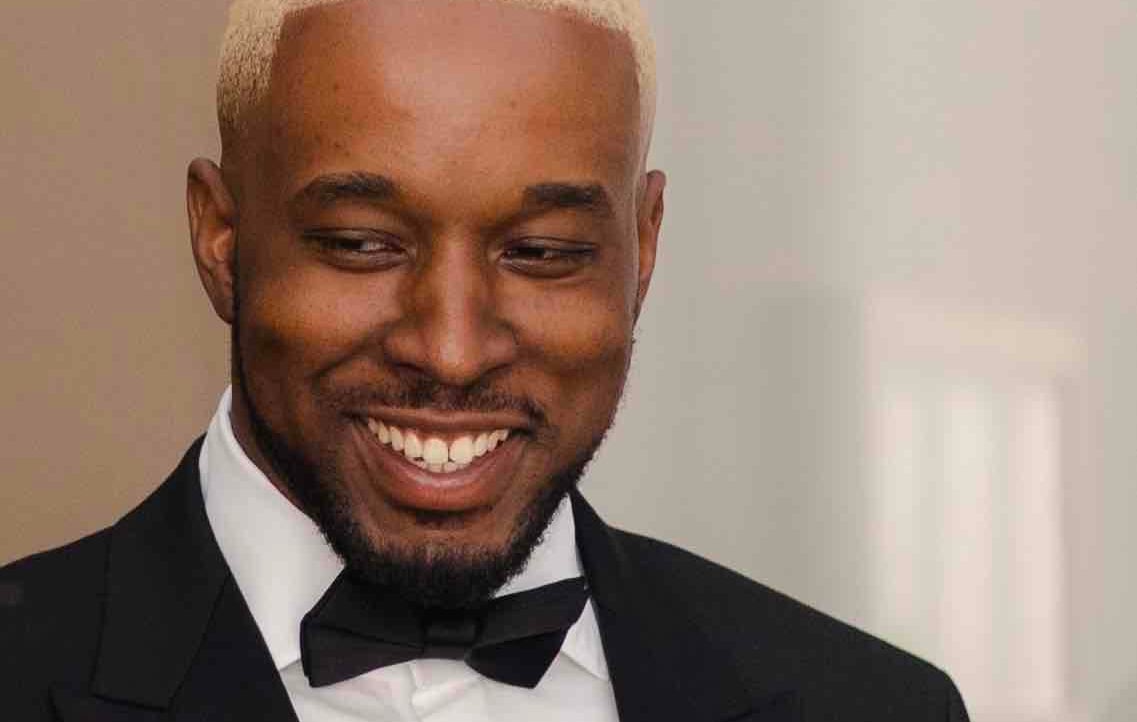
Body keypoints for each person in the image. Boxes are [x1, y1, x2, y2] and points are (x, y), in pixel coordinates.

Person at [0, 1, 969, 720]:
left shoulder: (878, 706)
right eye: (362, 243)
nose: (452, 350)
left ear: (643, 250)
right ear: (222, 239)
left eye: (543, 252)